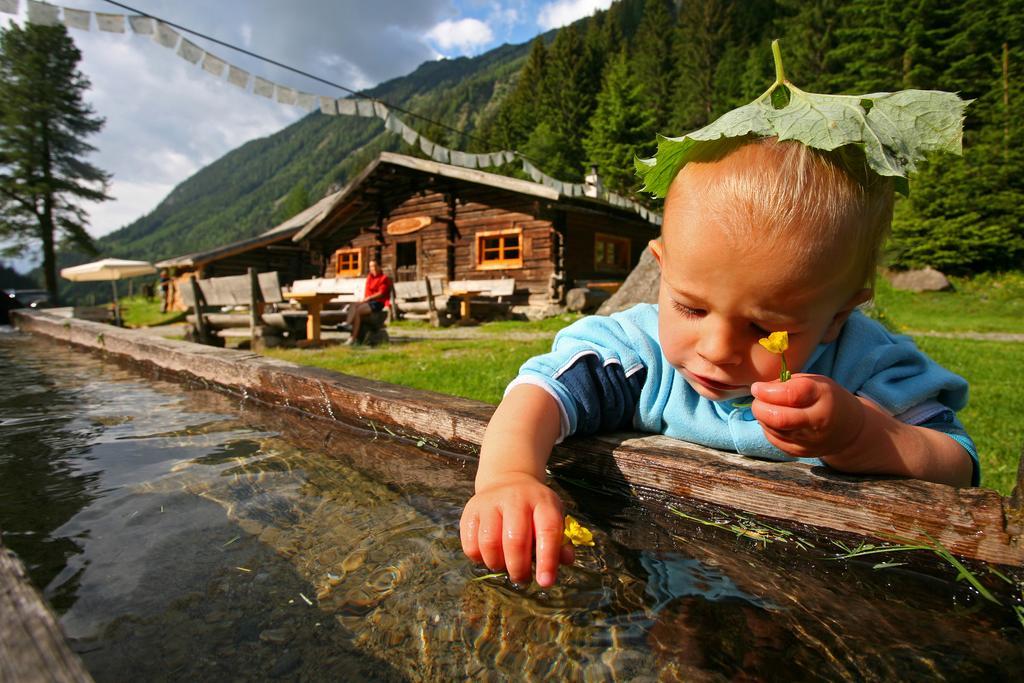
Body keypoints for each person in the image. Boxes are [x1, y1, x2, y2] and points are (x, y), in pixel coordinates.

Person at [459, 137, 978, 588]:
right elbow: (543, 393)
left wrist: (862, 434)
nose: (716, 348)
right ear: (662, 271)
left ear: (838, 316)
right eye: (691, 307)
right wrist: (508, 476)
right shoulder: (639, 354)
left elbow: (956, 466)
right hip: (665, 579)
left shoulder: (862, 366)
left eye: (763, 327)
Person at [346, 259, 391, 345]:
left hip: (377, 303)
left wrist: (368, 298)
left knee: (358, 311)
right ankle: (347, 325)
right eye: (371, 266)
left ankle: (352, 338)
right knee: (353, 305)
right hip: (368, 301)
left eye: (374, 266)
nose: (372, 268)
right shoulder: (370, 277)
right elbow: (367, 292)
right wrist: (363, 300)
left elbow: (381, 293)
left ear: (379, 267)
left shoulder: (383, 278)